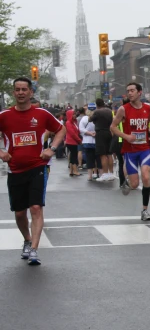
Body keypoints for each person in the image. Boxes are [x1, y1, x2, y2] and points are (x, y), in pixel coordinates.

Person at [0, 77, 65, 265]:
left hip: (37, 167)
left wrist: (51, 149)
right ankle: (27, 240)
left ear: (31, 92)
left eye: (24, 89)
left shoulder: (42, 114)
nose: (21, 92)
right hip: (15, 170)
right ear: (14, 93)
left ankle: (35, 249)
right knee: (20, 213)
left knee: (36, 208)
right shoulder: (4, 116)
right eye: (17, 89)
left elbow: (61, 130)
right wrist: (1, 151)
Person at [110, 82, 150, 220]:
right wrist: (126, 136)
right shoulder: (123, 109)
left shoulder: (148, 108)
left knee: (145, 176)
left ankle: (145, 210)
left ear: (140, 92)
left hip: (144, 148)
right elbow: (113, 127)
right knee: (135, 184)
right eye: (128, 91)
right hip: (130, 150)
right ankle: (126, 180)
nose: (130, 93)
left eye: (132, 90)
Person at [92, 98, 115, 181]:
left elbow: (90, 119)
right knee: (109, 154)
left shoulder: (97, 112)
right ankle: (111, 173)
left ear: (97, 104)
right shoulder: (109, 111)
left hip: (100, 133)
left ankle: (105, 173)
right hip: (108, 132)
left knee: (102, 154)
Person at [79, 108, 98, 180]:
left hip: (87, 141)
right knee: (97, 158)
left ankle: (90, 175)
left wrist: (89, 133)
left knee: (89, 159)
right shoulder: (97, 118)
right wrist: (95, 133)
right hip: (96, 141)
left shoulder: (84, 119)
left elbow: (81, 129)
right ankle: (96, 173)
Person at [65, 109, 82, 176]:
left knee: (72, 156)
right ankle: (75, 170)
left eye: (75, 114)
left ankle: (71, 171)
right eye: (73, 114)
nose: (75, 115)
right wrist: (79, 140)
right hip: (71, 142)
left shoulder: (74, 122)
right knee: (74, 156)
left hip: (73, 141)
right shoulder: (68, 123)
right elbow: (72, 133)